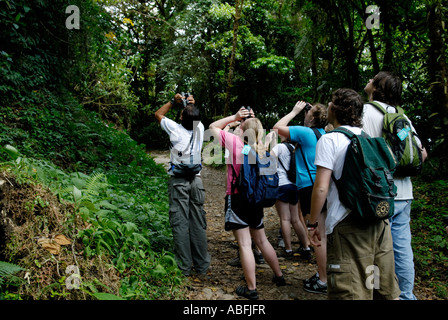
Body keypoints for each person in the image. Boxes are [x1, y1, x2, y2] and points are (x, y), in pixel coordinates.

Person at [308, 88, 401, 300]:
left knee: (350, 289)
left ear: (336, 109)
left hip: (347, 223)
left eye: (331, 102)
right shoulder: (368, 138)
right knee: (381, 285)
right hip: (379, 222)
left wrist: (313, 224)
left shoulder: (329, 139)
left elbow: (321, 187)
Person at [363, 71, 428, 300]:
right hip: (405, 193)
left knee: (375, 250)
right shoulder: (403, 116)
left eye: (372, 79)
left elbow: (364, 154)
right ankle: (407, 295)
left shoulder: (366, 112)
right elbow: (423, 154)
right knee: (402, 249)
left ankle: (378, 293)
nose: (368, 80)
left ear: (377, 87)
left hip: (381, 195)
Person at [209, 107, 286, 300]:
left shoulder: (235, 143)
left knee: (244, 243)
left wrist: (234, 118)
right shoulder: (262, 147)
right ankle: (279, 275)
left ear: (243, 128)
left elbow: (213, 126)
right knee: (261, 240)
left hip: (237, 197)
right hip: (256, 200)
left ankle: (251, 289)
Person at [273, 101, 328, 293]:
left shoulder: (306, 133)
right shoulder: (326, 133)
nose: (305, 114)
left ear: (311, 118)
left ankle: (323, 280)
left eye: (308, 112)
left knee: (317, 234)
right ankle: (328, 274)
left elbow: (277, 128)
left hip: (309, 187)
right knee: (326, 232)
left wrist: (294, 111)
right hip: (326, 184)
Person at [154, 93, 210, 277]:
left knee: (180, 223)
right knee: (198, 223)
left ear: (180, 117)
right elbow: (194, 118)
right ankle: (202, 266)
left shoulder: (174, 129)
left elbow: (158, 114)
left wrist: (173, 102)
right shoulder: (200, 128)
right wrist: (190, 106)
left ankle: (184, 267)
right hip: (196, 180)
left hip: (178, 181)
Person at [270, 134, 310, 259]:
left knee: (285, 218)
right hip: (294, 185)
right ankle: (306, 247)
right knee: (296, 219)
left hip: (281, 184)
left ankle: (288, 250)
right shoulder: (296, 148)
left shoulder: (280, 147)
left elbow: (269, 158)